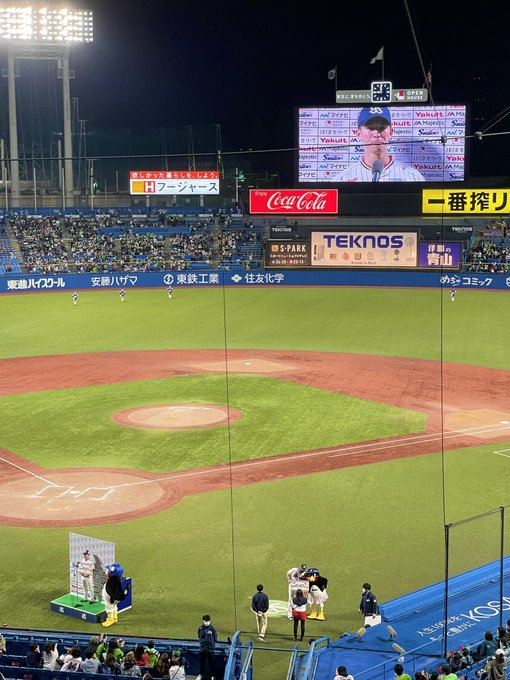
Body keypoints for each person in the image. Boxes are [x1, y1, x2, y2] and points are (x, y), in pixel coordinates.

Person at [337, 107, 426, 183]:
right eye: (371, 128)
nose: (377, 134)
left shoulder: (413, 177)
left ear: (391, 132)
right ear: (358, 134)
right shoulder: (342, 179)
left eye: (382, 128)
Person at [102, 562, 129, 627]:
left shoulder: (112, 581)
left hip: (110, 598)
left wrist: (111, 598)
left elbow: (111, 591)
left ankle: (110, 620)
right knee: (114, 606)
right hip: (116, 597)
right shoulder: (116, 579)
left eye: (110, 571)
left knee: (109, 607)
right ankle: (115, 617)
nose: (108, 572)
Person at [197, 614, 218, 680]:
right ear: (203, 621)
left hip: (210, 649)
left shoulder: (212, 629)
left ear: (209, 621)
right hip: (202, 649)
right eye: (205, 621)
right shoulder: (200, 628)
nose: (206, 622)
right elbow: (199, 637)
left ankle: (213, 676)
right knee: (201, 664)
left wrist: (210, 643)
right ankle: (201, 675)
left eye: (207, 621)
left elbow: (215, 638)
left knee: (212, 664)